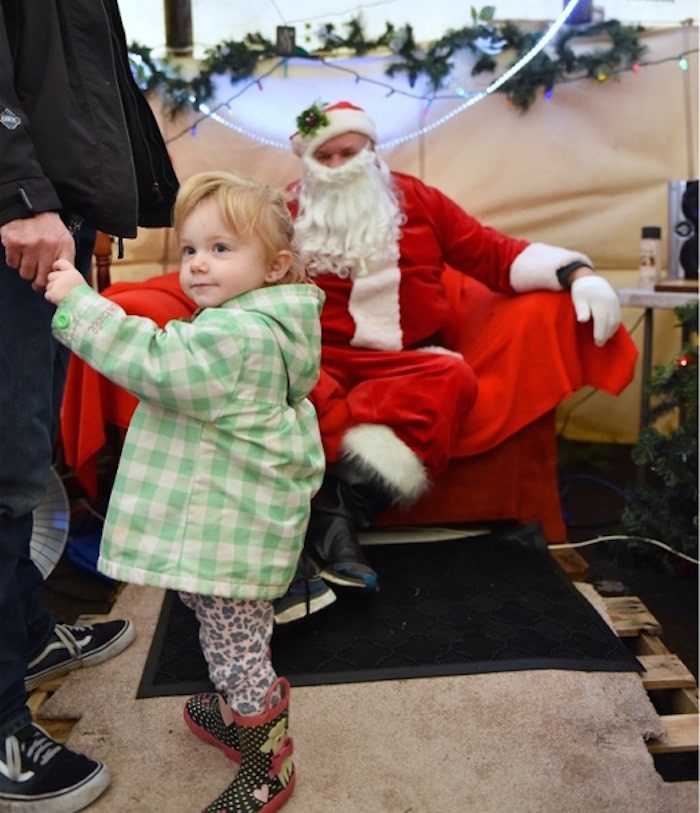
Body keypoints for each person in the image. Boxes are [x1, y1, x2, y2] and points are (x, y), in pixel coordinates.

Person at [44, 170, 326, 813]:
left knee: (237, 648)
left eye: (222, 250)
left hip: (228, 528)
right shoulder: (249, 320)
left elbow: (157, 363)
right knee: (221, 626)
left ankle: (266, 755)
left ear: (276, 266)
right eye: (192, 249)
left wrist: (80, 302)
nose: (198, 265)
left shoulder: (238, 336)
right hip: (227, 519)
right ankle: (238, 713)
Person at [279, 99, 626, 619]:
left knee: (450, 375)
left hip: (405, 363)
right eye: (321, 156)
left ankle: (335, 515)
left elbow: (491, 253)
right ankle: (326, 534)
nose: (334, 166)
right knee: (277, 381)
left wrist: (578, 274)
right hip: (316, 358)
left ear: (371, 151)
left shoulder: (417, 200)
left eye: (346, 152)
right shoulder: (283, 211)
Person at [0, 2, 178, 811]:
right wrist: (19, 190)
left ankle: (29, 640)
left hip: (46, 214)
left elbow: (73, 66)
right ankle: (4, 726)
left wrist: (97, 203)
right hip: (17, 215)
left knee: (24, 459)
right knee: (1, 478)